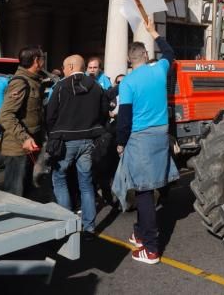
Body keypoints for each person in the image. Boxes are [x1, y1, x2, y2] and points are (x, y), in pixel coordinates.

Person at [113, 17, 180, 265]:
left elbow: (125, 118)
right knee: (152, 186)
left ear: (130, 60)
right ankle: (140, 232)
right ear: (145, 55)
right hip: (161, 133)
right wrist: (154, 32)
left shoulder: (128, 82)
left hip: (140, 137)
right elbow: (170, 52)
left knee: (143, 191)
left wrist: (120, 142)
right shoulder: (159, 70)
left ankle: (150, 249)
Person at [46, 54, 107, 238]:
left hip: (65, 142)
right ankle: (89, 228)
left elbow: (50, 116)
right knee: (86, 184)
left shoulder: (60, 87)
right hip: (89, 141)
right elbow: (104, 113)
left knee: (59, 179)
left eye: (64, 67)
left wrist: (53, 134)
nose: (63, 70)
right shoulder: (97, 87)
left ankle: (68, 225)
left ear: (71, 66)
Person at [0, 46, 45, 197]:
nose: (44, 61)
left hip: (29, 146)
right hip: (18, 148)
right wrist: (24, 137)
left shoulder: (34, 81)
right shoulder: (21, 82)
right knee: (15, 194)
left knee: (25, 191)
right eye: (42, 58)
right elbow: (5, 114)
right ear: (36, 61)